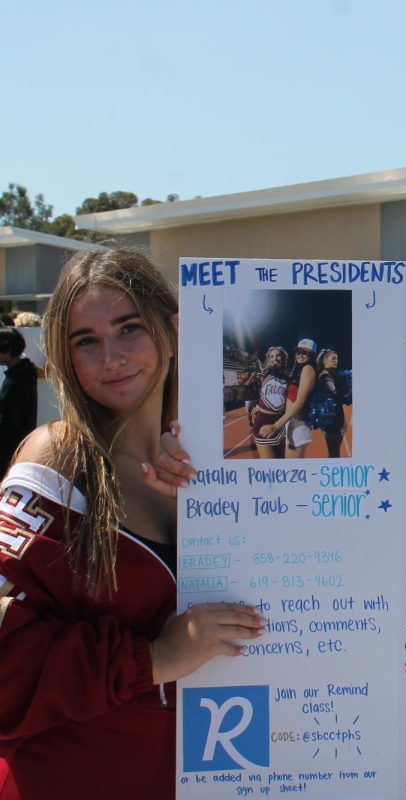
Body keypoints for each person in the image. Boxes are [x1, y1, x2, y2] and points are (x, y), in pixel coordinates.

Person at [0, 250, 264, 800]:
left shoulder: (220, 462)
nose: (111, 358)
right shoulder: (58, 461)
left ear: (172, 329)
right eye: (86, 341)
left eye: (129, 329)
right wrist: (154, 658)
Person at [261, 338, 316, 459]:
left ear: (311, 354)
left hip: (298, 425)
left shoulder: (307, 369)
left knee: (292, 470)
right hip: (294, 423)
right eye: (298, 352)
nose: (300, 355)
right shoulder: (301, 370)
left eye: (304, 352)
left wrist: (276, 425)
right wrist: (261, 408)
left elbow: (300, 402)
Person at [0, 328, 36, 474]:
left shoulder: (15, 382)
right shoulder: (27, 373)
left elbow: (8, 422)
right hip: (21, 448)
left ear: (7, 349)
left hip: (7, 452)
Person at [247, 345, 289, 459]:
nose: (275, 358)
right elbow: (258, 353)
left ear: (283, 358)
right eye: (272, 356)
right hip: (262, 425)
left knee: (282, 463)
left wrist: (261, 409)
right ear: (269, 360)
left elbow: (286, 410)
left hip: (280, 425)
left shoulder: (288, 379)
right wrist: (261, 409)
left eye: (278, 356)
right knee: (270, 467)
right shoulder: (264, 375)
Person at [308, 348, 351, 458]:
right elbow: (336, 394)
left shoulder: (334, 374)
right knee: (334, 452)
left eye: (337, 359)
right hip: (332, 420)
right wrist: (348, 391)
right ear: (325, 361)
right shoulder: (325, 376)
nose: (336, 361)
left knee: (335, 451)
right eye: (334, 358)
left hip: (337, 416)